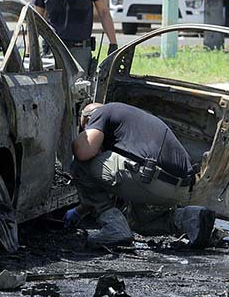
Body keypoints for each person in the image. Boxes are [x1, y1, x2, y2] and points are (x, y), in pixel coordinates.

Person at [65, 102, 216, 248]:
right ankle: (190, 218)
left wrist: (81, 136)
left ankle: (113, 228)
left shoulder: (102, 112)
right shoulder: (131, 121)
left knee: (80, 166)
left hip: (151, 180)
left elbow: (83, 152)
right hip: (179, 189)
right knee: (138, 222)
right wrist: (80, 211)